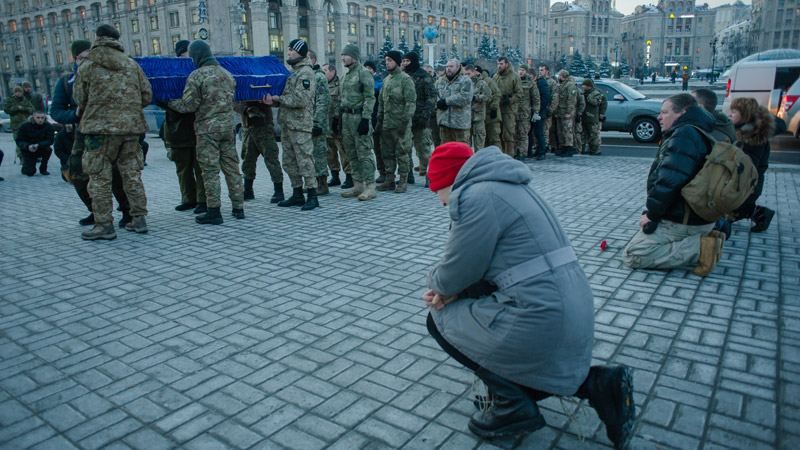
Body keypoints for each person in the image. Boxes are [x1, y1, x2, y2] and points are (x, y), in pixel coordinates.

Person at [423, 142, 634, 448]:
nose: (440, 202)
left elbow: (456, 272)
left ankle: (513, 405)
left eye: (437, 191)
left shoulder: (474, 197)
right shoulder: (506, 186)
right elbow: (482, 270)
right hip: (568, 308)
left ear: (449, 181)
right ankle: (600, 385)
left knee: (438, 318)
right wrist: (456, 290)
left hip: (541, 316)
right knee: (473, 305)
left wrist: (438, 288)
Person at [623, 94, 724, 276]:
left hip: (684, 219)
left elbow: (669, 182)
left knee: (634, 254)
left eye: (664, 112)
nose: (659, 117)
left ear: (682, 112)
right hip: (696, 214)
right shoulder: (698, 129)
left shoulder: (684, 134)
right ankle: (701, 239)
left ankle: (701, 246)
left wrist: (652, 215)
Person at [75, 24, 150, 240]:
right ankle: (139, 219)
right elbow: (146, 95)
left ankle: (104, 225)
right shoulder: (132, 65)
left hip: (99, 131)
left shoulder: (88, 65)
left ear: (97, 38)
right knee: (132, 174)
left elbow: (79, 98)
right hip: (130, 129)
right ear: (117, 39)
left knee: (99, 177)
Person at [51, 39, 131, 227]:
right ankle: (95, 211)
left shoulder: (108, 76)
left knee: (116, 175)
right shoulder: (66, 82)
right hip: (82, 134)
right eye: (83, 58)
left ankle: (128, 212)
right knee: (77, 174)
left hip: (110, 132)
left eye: (91, 56)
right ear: (75, 58)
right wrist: (75, 114)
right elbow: (56, 111)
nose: (88, 61)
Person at [169, 39, 244, 223]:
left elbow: (189, 105)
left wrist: (169, 102)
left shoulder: (197, 76)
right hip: (228, 128)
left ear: (197, 56)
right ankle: (238, 207)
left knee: (210, 171)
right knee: (232, 169)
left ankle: (214, 211)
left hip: (207, 131)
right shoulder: (227, 74)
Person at [263, 39, 320, 211]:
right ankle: (297, 194)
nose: (288, 53)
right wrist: (272, 101)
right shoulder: (293, 73)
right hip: (288, 124)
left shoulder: (306, 73)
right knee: (289, 161)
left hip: (300, 125)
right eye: (288, 50)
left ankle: (312, 195)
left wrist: (277, 99)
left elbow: (301, 99)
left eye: (291, 51)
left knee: (305, 160)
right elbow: (286, 98)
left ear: (300, 53)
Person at [162, 40, 207, 213]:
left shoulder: (199, 73)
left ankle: (203, 200)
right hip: (177, 129)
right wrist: (170, 103)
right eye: (185, 54)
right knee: (183, 167)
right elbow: (161, 97)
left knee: (200, 167)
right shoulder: (171, 75)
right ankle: (189, 198)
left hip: (197, 128)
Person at [724, 97, 777, 233]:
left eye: (734, 112)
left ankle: (762, 215)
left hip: (749, 182)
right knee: (738, 207)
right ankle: (761, 215)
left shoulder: (753, 136)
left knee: (735, 207)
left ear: (745, 115)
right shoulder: (740, 130)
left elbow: (749, 164)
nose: (729, 114)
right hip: (743, 180)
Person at [338, 44, 377, 201]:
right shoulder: (346, 75)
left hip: (359, 118)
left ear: (354, 56)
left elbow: (370, 97)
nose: (342, 58)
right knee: (351, 153)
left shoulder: (364, 74)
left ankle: (370, 186)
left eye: (345, 55)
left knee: (364, 153)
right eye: (342, 55)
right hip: (347, 119)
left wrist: (366, 119)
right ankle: (358, 185)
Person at [376, 50, 416, 193]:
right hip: (387, 124)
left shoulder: (406, 79)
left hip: (400, 125)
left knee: (402, 153)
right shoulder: (386, 80)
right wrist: (379, 121)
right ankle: (389, 180)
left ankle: (403, 180)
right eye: (386, 60)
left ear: (397, 62)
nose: (387, 63)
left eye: (390, 60)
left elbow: (410, 103)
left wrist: (404, 123)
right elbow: (381, 102)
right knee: (387, 153)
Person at [239, 101, 283, 203]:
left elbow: (274, 101)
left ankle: (279, 191)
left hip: (264, 126)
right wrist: (246, 109)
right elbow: (235, 103)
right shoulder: (240, 86)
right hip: (248, 128)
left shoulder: (263, 85)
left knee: (271, 159)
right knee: (247, 160)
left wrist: (261, 103)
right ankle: (248, 190)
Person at [402, 51, 435, 185]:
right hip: (406, 118)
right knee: (405, 148)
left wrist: (425, 115)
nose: (404, 63)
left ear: (413, 62)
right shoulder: (402, 76)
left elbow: (432, 98)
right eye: (403, 61)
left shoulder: (424, 77)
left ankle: (430, 176)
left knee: (424, 150)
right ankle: (408, 174)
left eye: (407, 61)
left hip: (420, 118)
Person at [323, 63, 351, 189]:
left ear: (332, 71)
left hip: (338, 125)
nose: (323, 74)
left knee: (343, 152)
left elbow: (341, 104)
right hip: (326, 125)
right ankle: (335, 176)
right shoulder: (322, 86)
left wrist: (337, 120)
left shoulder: (340, 85)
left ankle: (350, 177)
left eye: (325, 71)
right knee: (330, 153)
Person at [308, 50, 332, 196]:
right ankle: (313, 183)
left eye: (307, 59)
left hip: (317, 123)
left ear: (313, 60)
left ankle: (322, 184)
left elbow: (323, 102)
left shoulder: (319, 77)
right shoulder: (305, 75)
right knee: (309, 154)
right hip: (306, 123)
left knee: (319, 153)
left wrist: (317, 123)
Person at [435, 58, 473, 144]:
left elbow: (465, 97)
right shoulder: (440, 81)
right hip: (444, 122)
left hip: (460, 123)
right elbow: (434, 94)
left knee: (462, 152)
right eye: (447, 66)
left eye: (451, 66)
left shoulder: (465, 80)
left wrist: (446, 101)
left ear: (458, 67)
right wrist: (437, 103)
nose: (448, 68)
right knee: (446, 151)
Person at [492, 57, 521, 156]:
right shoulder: (495, 76)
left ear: (507, 64)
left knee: (509, 133)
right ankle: (501, 155)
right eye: (498, 64)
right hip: (498, 109)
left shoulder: (514, 77)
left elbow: (519, 93)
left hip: (509, 110)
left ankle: (510, 155)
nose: (499, 66)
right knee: (497, 133)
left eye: (501, 64)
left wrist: (509, 100)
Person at [364, 60, 385, 184]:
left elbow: (376, 89)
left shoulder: (378, 81)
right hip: (366, 119)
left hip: (377, 118)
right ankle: (380, 171)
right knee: (372, 149)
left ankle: (385, 173)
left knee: (380, 147)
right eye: (365, 67)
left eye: (369, 68)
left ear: (374, 70)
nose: (367, 70)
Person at [15, 111, 55, 176]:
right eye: (38, 117)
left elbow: (50, 140)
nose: (40, 120)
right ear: (33, 117)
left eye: (42, 118)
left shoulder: (48, 126)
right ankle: (26, 167)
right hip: (28, 149)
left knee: (49, 150)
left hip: (41, 147)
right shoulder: (25, 126)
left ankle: (43, 169)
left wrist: (39, 145)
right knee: (30, 173)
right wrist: (27, 146)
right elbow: (19, 140)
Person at [465, 64, 491, 150]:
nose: (466, 76)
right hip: (466, 118)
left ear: (474, 72)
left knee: (479, 145)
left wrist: (476, 97)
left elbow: (488, 96)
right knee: (466, 145)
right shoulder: (464, 84)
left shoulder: (482, 83)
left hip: (478, 117)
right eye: (465, 74)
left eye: (468, 74)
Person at [554, 69, 578, 157]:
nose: (558, 77)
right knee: (561, 131)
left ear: (563, 76)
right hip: (560, 111)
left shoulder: (570, 85)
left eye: (560, 75)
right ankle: (563, 147)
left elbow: (571, 100)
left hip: (566, 112)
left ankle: (569, 148)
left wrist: (569, 112)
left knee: (567, 131)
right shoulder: (561, 85)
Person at [514, 64, 536, 159]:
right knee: (514, 133)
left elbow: (536, 98)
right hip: (514, 112)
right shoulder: (514, 81)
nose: (521, 72)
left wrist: (536, 112)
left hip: (524, 113)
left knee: (523, 134)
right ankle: (515, 152)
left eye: (523, 70)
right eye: (519, 70)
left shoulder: (531, 83)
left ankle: (522, 153)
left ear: (526, 71)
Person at [581, 79, 606, 155]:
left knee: (593, 135)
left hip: (592, 117)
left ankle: (595, 150)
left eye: (584, 85)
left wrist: (602, 113)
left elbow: (601, 103)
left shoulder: (596, 93)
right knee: (583, 135)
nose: (582, 86)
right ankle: (583, 149)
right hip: (584, 117)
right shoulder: (583, 93)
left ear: (588, 86)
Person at [531, 67, 550, 160]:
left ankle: (542, 152)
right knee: (535, 133)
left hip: (540, 112)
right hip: (535, 111)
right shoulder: (537, 82)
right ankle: (538, 150)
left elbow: (545, 98)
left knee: (539, 132)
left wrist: (538, 110)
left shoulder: (541, 83)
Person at [481, 67, 502, 147]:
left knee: (494, 138)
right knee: (485, 140)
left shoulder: (488, 81)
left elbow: (497, 94)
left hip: (492, 114)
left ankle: (498, 158)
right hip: (482, 115)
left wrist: (494, 107)